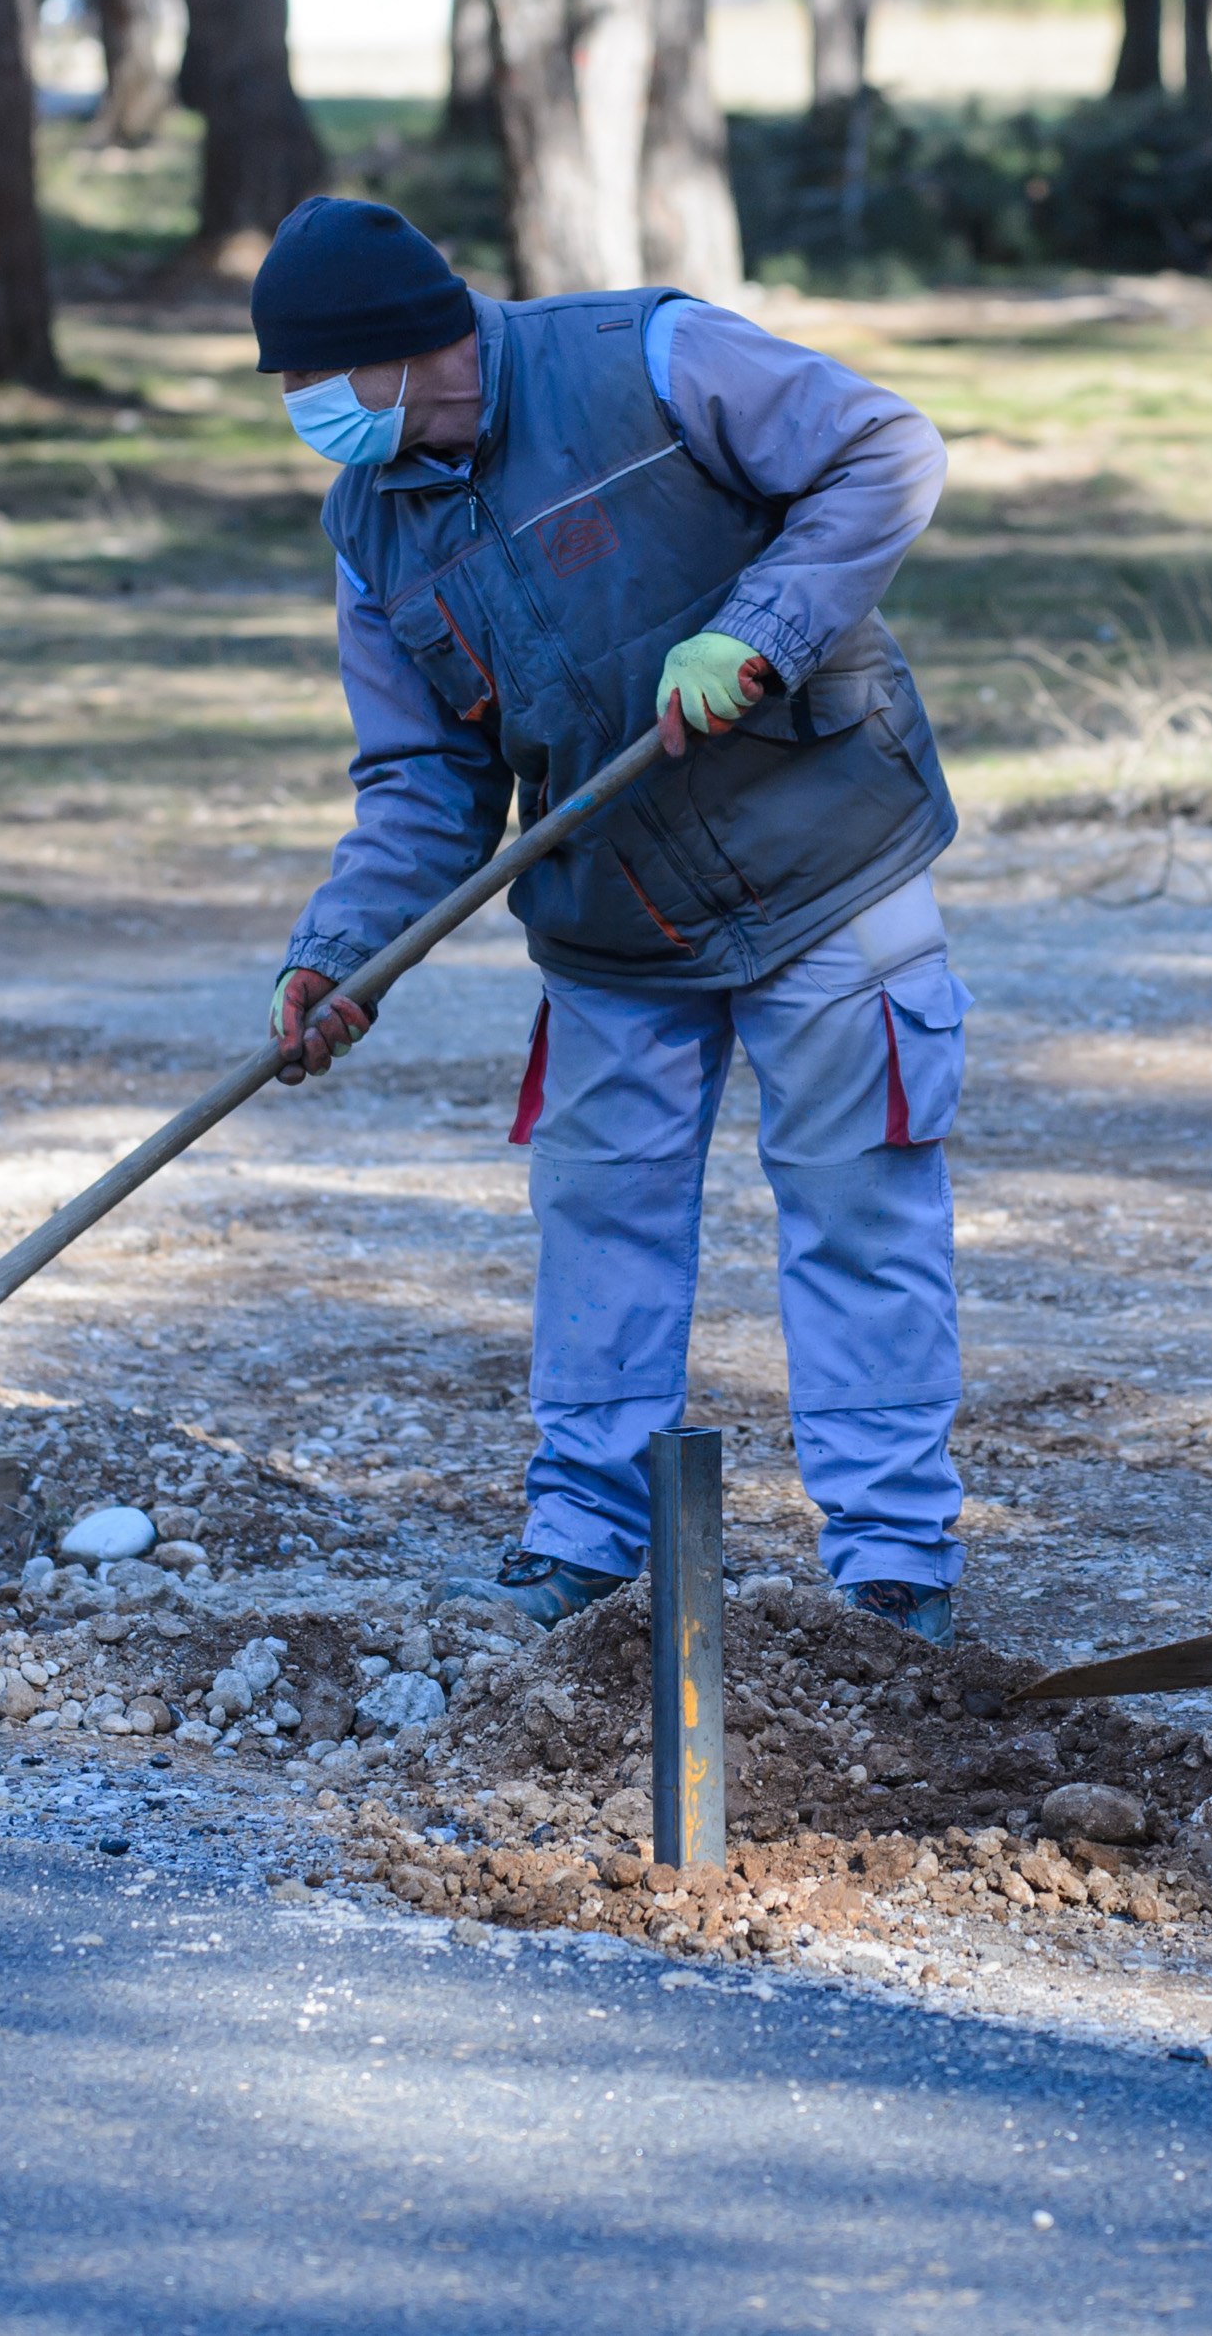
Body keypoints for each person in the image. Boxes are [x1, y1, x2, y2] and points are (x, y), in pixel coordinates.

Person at [255, 197, 976, 1642]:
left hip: (824, 859)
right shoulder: (370, 525)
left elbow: (884, 450)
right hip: (609, 916)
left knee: (856, 1210)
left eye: (311, 379)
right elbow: (420, 776)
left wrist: (760, 628)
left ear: (403, 352)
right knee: (598, 1218)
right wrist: (342, 951)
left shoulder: (650, 360)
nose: (303, 413)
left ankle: (891, 1569)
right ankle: (582, 1538)